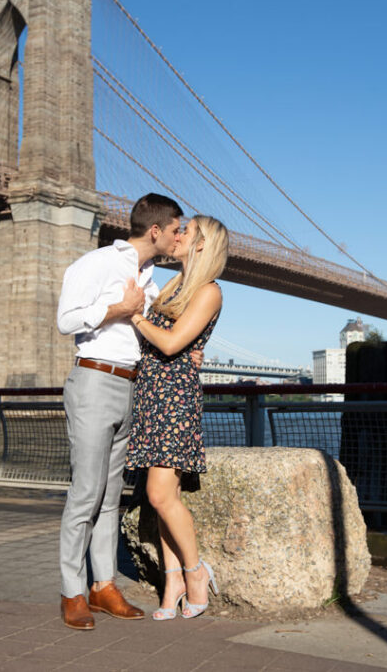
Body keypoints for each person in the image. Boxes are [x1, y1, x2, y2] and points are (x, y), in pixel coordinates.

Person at [55, 193, 183, 631]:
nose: (179, 237)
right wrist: (119, 310)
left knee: (111, 498)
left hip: (132, 384)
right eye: (176, 229)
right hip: (93, 380)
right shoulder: (95, 264)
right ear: (156, 230)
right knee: (86, 492)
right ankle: (72, 591)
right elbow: (66, 320)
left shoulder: (149, 278)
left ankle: (104, 585)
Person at [125, 215, 230, 620]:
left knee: (159, 495)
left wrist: (135, 314)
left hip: (173, 399)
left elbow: (169, 344)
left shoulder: (208, 291)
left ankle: (196, 571)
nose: (178, 233)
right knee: (165, 499)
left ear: (203, 244)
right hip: (153, 394)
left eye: (187, 230)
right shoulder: (174, 287)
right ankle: (173, 582)